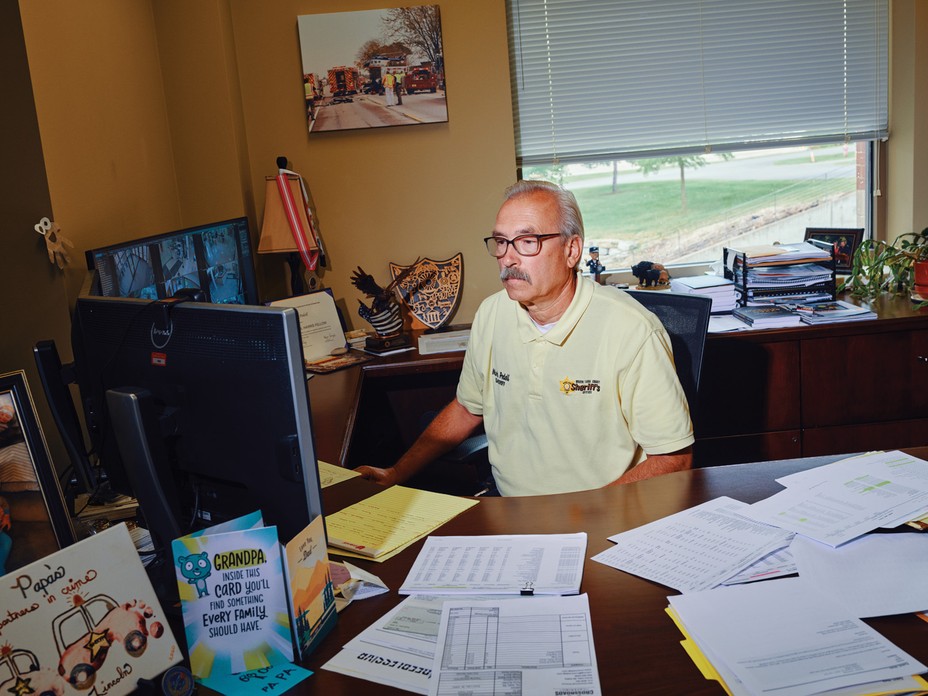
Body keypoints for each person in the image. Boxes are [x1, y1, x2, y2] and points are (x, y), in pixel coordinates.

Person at [356, 180, 693, 496]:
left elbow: (674, 459)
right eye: (501, 241)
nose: (508, 257)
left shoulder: (632, 329)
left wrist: (593, 513)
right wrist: (396, 473)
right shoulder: (492, 314)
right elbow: (466, 409)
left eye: (527, 241)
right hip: (510, 509)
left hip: (600, 511)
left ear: (572, 250)